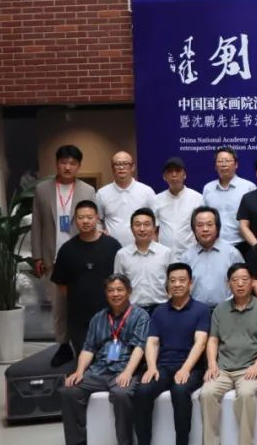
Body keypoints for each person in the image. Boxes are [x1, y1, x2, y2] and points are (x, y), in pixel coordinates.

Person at [57, 273, 149, 445]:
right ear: (106, 293)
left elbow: (139, 348)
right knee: (69, 390)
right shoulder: (98, 318)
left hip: (125, 369)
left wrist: (128, 373)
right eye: (111, 290)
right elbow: (88, 348)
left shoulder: (140, 316)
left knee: (122, 394)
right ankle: (76, 441)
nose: (115, 294)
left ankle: (125, 444)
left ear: (129, 292)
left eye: (120, 290)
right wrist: (79, 371)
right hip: (99, 370)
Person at [129, 263, 211, 445]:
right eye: (172, 280)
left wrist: (186, 369)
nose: (177, 284)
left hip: (192, 367)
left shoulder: (201, 310)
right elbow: (152, 342)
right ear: (167, 284)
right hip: (163, 367)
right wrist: (151, 367)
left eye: (182, 280)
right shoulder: (159, 311)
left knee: (180, 391)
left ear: (190, 283)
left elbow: (200, 343)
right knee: (142, 391)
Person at [198, 264, 257, 445]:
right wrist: (212, 364)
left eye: (244, 279)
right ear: (228, 284)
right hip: (223, 368)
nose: (240, 284)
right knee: (206, 393)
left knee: (246, 393)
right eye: (235, 280)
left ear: (252, 283)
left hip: (250, 368)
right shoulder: (220, 310)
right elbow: (213, 340)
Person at [31, 144, 96, 360]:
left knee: (83, 302)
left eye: (72, 163)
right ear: (57, 164)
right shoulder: (42, 190)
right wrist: (37, 256)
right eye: (63, 162)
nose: (68, 167)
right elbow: (37, 224)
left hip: (81, 255)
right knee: (59, 305)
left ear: (79, 166)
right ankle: (63, 345)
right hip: (53, 255)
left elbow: (93, 221)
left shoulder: (88, 190)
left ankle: (87, 344)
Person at [51, 200, 122, 356]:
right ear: (75, 220)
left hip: (111, 313)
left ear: (97, 218)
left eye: (89, 217)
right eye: (80, 217)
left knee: (113, 358)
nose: (85, 221)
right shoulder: (67, 249)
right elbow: (61, 284)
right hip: (79, 316)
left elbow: (122, 279)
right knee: (85, 359)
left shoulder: (113, 246)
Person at [181, 206, 242, 309]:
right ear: (193, 229)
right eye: (200, 225)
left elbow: (243, 284)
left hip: (227, 310)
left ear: (217, 227)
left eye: (209, 224)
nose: (205, 229)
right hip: (195, 311)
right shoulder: (186, 257)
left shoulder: (232, 254)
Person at [113, 208, 172, 312]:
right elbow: (118, 285)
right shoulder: (122, 255)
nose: (142, 229)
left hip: (161, 308)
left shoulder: (166, 253)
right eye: (137, 224)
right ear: (131, 229)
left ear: (154, 228)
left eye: (147, 224)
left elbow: (171, 282)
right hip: (132, 310)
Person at [96, 151, 157, 247]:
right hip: (111, 248)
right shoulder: (102, 193)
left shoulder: (147, 191)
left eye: (125, 163)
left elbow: (156, 222)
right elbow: (97, 220)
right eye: (117, 164)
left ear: (133, 167)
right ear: (112, 168)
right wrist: (100, 231)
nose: (121, 167)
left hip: (141, 248)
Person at [201, 147, 256, 252]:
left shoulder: (248, 187)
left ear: (236, 164)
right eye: (220, 161)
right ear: (215, 166)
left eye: (227, 161)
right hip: (215, 245)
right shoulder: (208, 188)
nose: (224, 164)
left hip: (243, 245)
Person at [153, 157, 203, 259]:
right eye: (170, 171)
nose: (174, 175)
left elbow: (202, 229)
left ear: (184, 175)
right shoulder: (157, 200)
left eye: (178, 171)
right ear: (164, 176)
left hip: (190, 255)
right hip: (164, 256)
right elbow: (154, 231)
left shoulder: (197, 198)